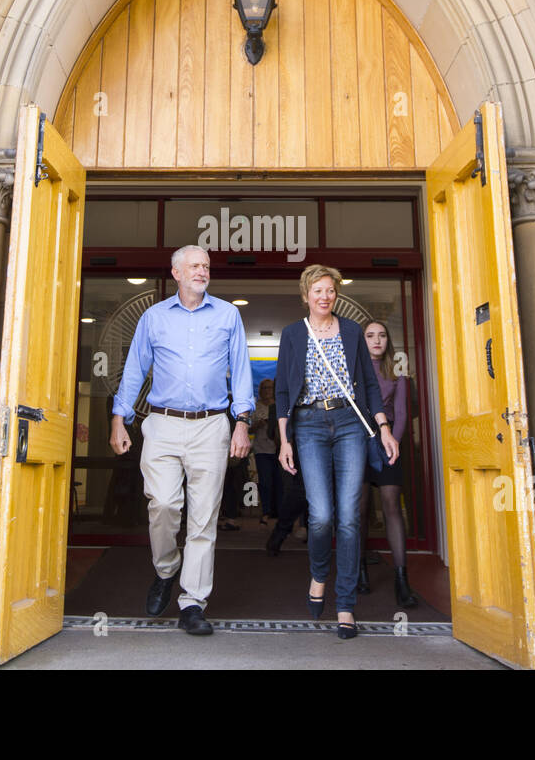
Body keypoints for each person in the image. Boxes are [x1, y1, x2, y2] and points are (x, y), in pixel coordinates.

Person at [110, 245, 255, 636]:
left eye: (206, 266)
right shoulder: (153, 318)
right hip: (162, 423)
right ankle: (166, 569)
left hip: (212, 425)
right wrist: (118, 419)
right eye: (194, 265)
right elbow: (135, 370)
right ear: (175, 272)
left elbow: (241, 372)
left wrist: (242, 422)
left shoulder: (228, 315)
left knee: (204, 518)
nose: (202, 271)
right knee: (162, 505)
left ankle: (193, 602)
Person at [275, 264, 397, 638]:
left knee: (348, 517)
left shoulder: (352, 331)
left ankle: (345, 605)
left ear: (336, 294)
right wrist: (284, 440)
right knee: (322, 515)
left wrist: (385, 429)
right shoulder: (293, 334)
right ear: (306, 294)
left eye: (330, 290)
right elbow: (282, 390)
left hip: (349, 425)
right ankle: (317, 575)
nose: (324, 296)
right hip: (309, 425)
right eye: (318, 290)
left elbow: (371, 387)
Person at [357, 320, 420, 608]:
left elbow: (403, 413)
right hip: (356, 441)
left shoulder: (397, 372)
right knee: (359, 509)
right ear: (363, 340)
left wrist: (393, 442)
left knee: (392, 505)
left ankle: (401, 579)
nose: (377, 340)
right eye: (370, 336)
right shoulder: (354, 368)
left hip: (388, 442)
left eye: (382, 335)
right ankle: (359, 570)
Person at [251, 379, 280, 526]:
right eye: (265, 388)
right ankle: (266, 511)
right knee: (265, 481)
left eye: (270, 388)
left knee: (279, 481)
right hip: (261, 449)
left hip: (279, 449)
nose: (267, 390)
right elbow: (248, 429)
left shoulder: (279, 405)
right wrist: (258, 424)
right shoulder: (255, 407)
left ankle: (278, 511)